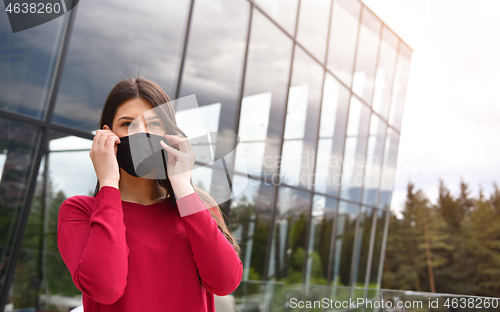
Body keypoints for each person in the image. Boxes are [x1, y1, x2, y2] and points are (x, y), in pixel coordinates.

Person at [57, 77, 243, 311]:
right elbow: (106, 288)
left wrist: (182, 185)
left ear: (169, 134)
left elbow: (225, 282)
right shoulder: (80, 211)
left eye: (154, 124)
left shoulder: (197, 207)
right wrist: (108, 182)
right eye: (127, 124)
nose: (141, 134)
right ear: (108, 135)